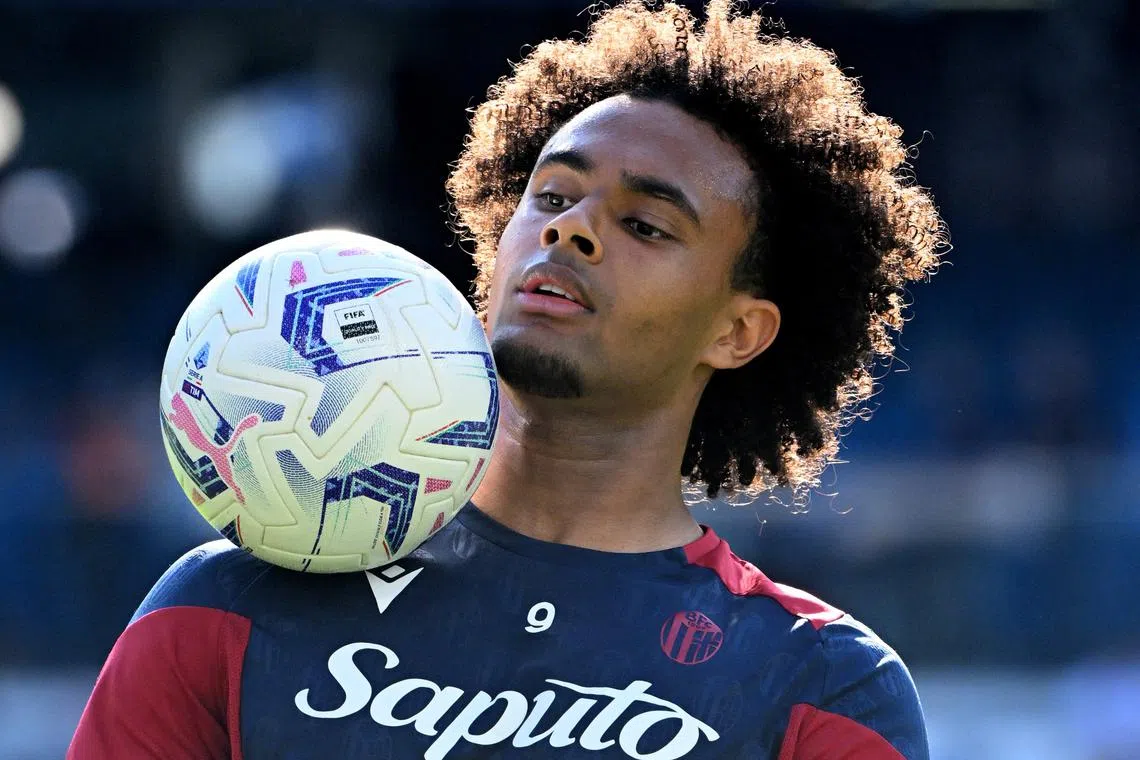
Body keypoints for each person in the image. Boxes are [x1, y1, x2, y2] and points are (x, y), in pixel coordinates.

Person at [68, 1, 946, 758]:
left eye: (643, 224)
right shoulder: (225, 605)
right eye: (552, 197)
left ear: (737, 330)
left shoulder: (820, 688)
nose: (570, 232)